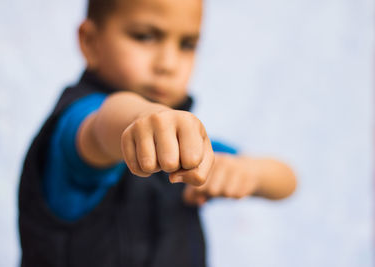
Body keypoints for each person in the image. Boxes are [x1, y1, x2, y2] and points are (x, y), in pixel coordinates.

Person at [18, 0, 297, 266]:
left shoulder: (182, 138)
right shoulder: (79, 121)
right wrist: (141, 117)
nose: (168, 64)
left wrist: (248, 172)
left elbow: (287, 181)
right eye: (144, 37)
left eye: (187, 45)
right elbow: (105, 123)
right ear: (90, 42)